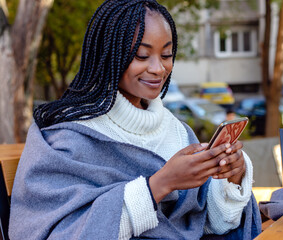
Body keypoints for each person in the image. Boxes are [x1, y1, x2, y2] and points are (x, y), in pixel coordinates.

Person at [9, 0, 261, 239]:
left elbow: (206, 225)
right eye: (142, 55)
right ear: (107, 55)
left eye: (166, 55)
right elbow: (58, 232)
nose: (158, 68)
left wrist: (232, 177)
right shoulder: (67, 139)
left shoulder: (177, 132)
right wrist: (161, 184)